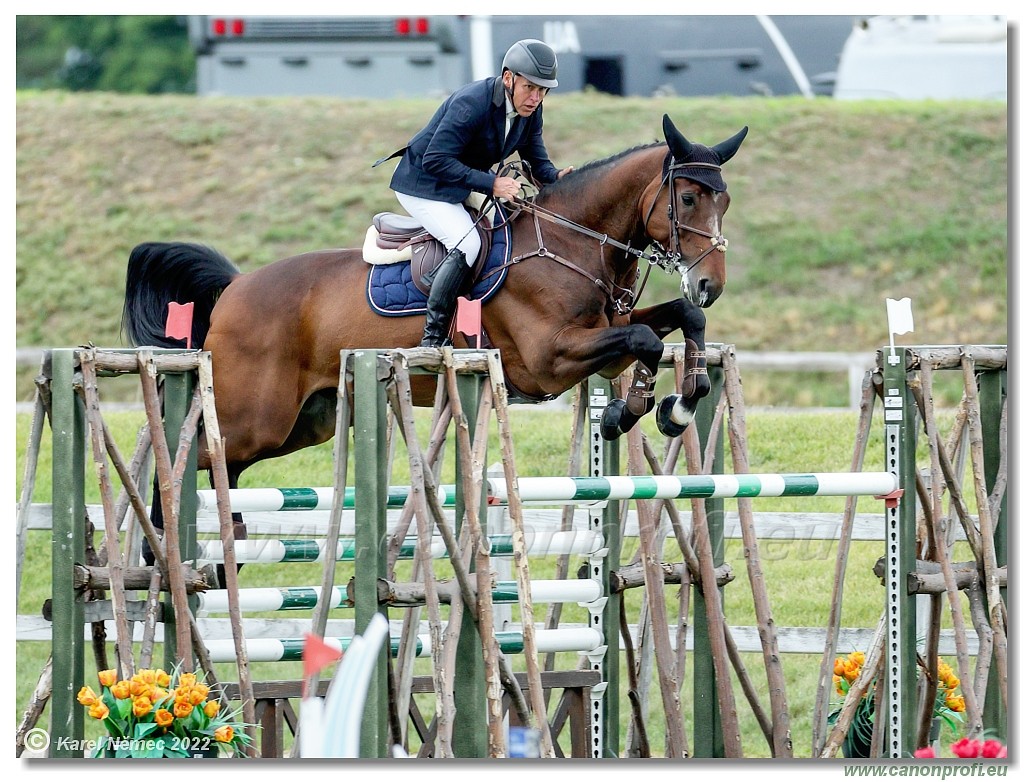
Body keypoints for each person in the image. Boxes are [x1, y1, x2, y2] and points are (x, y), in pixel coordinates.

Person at [384, 38, 574, 347]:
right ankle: (433, 337)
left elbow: (538, 163)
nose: (536, 98)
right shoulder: (471, 103)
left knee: (510, 232)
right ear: (509, 78)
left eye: (543, 91)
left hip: (462, 182)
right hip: (423, 184)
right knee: (468, 243)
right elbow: (435, 159)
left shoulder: (531, 110)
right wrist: (492, 184)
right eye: (530, 87)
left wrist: (558, 178)